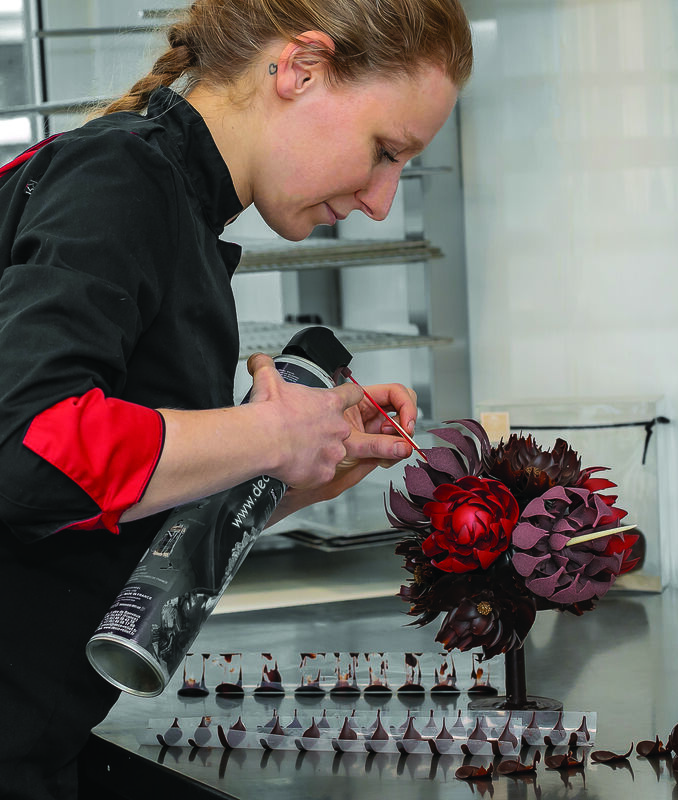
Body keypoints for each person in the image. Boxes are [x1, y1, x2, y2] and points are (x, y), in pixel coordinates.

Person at [0, 0, 473, 797]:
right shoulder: (119, 178)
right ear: (302, 69)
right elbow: (29, 453)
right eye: (385, 151)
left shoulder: (174, 203)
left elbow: (102, 513)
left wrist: (283, 479)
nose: (383, 201)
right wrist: (271, 438)